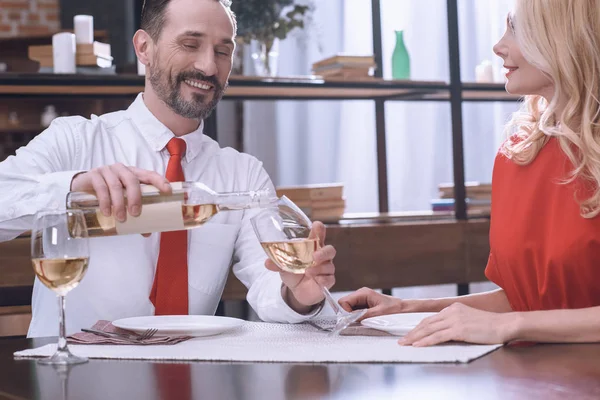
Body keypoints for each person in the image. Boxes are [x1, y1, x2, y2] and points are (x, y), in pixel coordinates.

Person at [0, 0, 336, 337]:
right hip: (73, 375)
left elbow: (268, 278)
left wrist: (298, 295)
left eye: (223, 51)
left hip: (190, 375)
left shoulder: (243, 174)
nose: (208, 66)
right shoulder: (76, 140)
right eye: (190, 45)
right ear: (144, 48)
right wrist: (72, 186)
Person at [339, 0, 600, 347]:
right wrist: (408, 308)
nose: (498, 45)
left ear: (563, 37)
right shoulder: (519, 155)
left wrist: (513, 326)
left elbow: (522, 317)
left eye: (516, 28)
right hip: (531, 378)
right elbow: (525, 301)